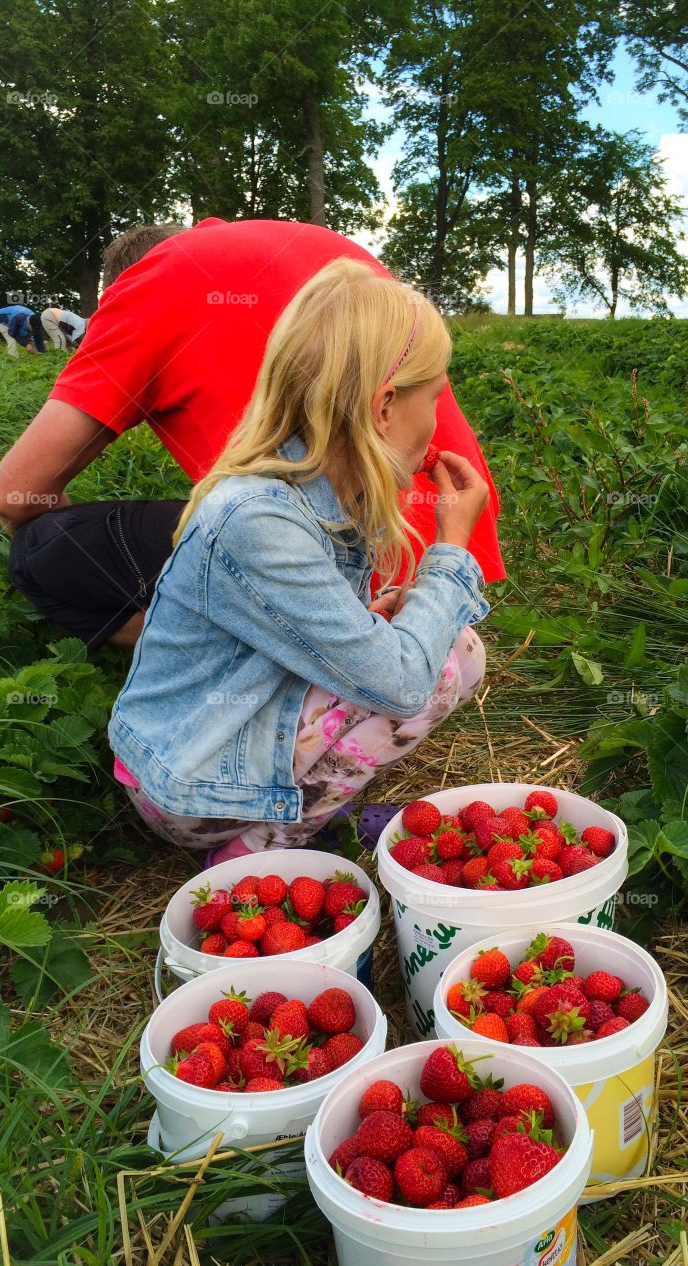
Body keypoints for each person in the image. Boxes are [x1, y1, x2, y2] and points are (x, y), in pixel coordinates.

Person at [108, 257, 490, 864]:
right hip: (189, 785)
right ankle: (259, 856)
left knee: (431, 643)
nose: (437, 414)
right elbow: (399, 684)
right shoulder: (259, 517)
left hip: (217, 745)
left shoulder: (318, 488)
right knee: (450, 659)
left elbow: (291, 632)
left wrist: (367, 619)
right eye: (435, 394)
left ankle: (297, 824)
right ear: (385, 406)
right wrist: (451, 546)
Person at [0, 218, 504, 654]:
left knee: (41, 548)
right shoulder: (319, 245)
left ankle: (262, 667)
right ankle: (390, 634)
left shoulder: (150, 284)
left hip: (330, 587)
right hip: (445, 541)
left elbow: (13, 495)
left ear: (116, 288)